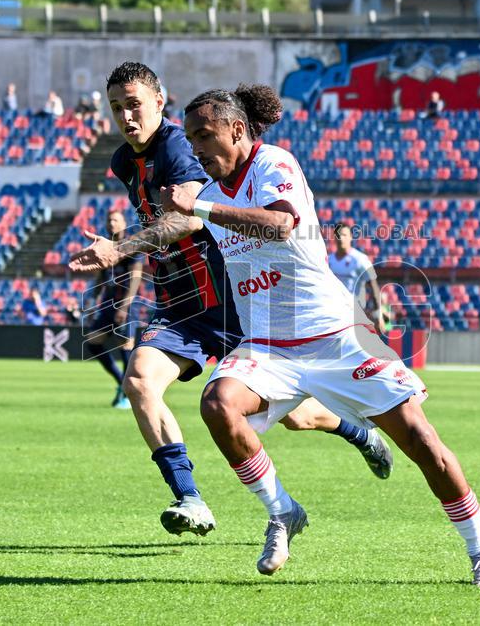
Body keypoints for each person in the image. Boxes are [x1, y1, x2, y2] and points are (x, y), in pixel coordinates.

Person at [161, 83, 480, 586]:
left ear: (237, 129)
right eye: (189, 138)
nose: (195, 147)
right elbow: (177, 226)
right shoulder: (210, 196)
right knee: (218, 404)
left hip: (336, 336)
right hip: (266, 347)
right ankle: (283, 510)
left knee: (423, 443)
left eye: (203, 134)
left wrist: (202, 208)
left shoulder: (274, 164)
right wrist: (117, 248)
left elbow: (279, 225)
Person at [68, 62, 393, 539]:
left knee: (295, 416)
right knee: (140, 381)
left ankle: (358, 431)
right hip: (181, 306)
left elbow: (192, 219)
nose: (126, 116)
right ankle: (189, 497)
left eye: (134, 104)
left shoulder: (181, 146)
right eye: (116, 107)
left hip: (236, 304)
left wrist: (121, 248)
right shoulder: (123, 161)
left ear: (160, 101)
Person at [83, 209, 144, 409]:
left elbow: (135, 279)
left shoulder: (131, 247)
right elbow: (100, 279)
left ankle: (128, 395)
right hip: (107, 304)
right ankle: (121, 383)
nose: (112, 223)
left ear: (124, 224)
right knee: (92, 342)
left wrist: (125, 307)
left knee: (126, 346)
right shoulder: (104, 248)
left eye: (116, 220)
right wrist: (91, 303)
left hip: (126, 304)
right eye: (109, 220)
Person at [329, 223, 386, 334]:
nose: (341, 238)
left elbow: (373, 286)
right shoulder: (328, 261)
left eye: (344, 235)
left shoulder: (361, 260)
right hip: (333, 313)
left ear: (350, 237)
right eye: (338, 235)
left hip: (354, 314)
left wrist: (378, 314)